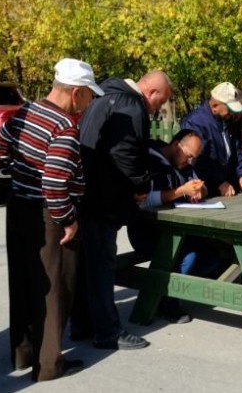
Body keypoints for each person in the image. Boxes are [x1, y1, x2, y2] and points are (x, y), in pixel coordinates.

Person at [0, 58, 101, 381]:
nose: (89, 102)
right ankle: (49, 365)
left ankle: (22, 353)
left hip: (18, 207)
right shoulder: (64, 127)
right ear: (76, 93)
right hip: (49, 216)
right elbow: (54, 183)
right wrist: (69, 221)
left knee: (22, 281)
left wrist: (14, 169)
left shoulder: (27, 111)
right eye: (89, 95)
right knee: (54, 290)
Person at [76, 70, 173, 350]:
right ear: (152, 93)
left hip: (88, 195)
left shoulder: (103, 97)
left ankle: (82, 324)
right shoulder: (131, 106)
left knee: (88, 265)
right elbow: (124, 154)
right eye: (160, 102)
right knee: (102, 266)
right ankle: (107, 331)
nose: (157, 109)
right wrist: (140, 184)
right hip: (105, 199)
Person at [126, 129, 211, 323]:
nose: (189, 161)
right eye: (189, 156)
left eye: (193, 159)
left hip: (175, 229)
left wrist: (200, 191)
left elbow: (199, 184)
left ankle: (168, 294)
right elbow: (144, 201)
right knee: (189, 255)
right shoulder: (149, 160)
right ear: (176, 145)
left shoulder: (184, 164)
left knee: (212, 254)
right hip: (147, 231)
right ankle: (164, 303)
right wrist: (180, 191)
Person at [181, 82, 242, 197]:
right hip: (206, 189)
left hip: (229, 188)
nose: (232, 113)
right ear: (215, 105)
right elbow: (198, 159)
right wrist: (219, 182)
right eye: (229, 109)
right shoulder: (195, 122)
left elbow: (237, 148)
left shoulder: (228, 120)